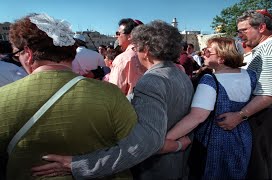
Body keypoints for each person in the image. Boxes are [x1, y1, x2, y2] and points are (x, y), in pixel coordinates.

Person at [32, 20, 194, 180]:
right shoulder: (180, 75)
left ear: (146, 51)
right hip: (177, 167)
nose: (135, 55)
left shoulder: (152, 81)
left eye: (137, 49)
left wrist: (80, 165)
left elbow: (145, 142)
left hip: (154, 171)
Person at [0, 13, 137, 179]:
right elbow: (136, 146)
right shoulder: (110, 93)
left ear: (28, 53)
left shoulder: (3, 97)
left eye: (17, 55)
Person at [216, 10, 272, 179]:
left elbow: (269, 92)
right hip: (271, 110)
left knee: (255, 162)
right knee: (259, 158)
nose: (240, 35)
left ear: (261, 27)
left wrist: (239, 115)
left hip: (266, 112)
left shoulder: (271, 49)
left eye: (243, 30)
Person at [166, 37, 256, 179]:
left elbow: (197, 117)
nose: (203, 54)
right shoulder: (251, 75)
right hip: (243, 135)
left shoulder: (210, 80)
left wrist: (167, 139)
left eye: (208, 52)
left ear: (222, 58)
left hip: (214, 141)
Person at [108, 18, 146, 95]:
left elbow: (114, 93)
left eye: (118, 33)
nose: (116, 36)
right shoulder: (149, 55)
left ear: (130, 36)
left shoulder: (123, 59)